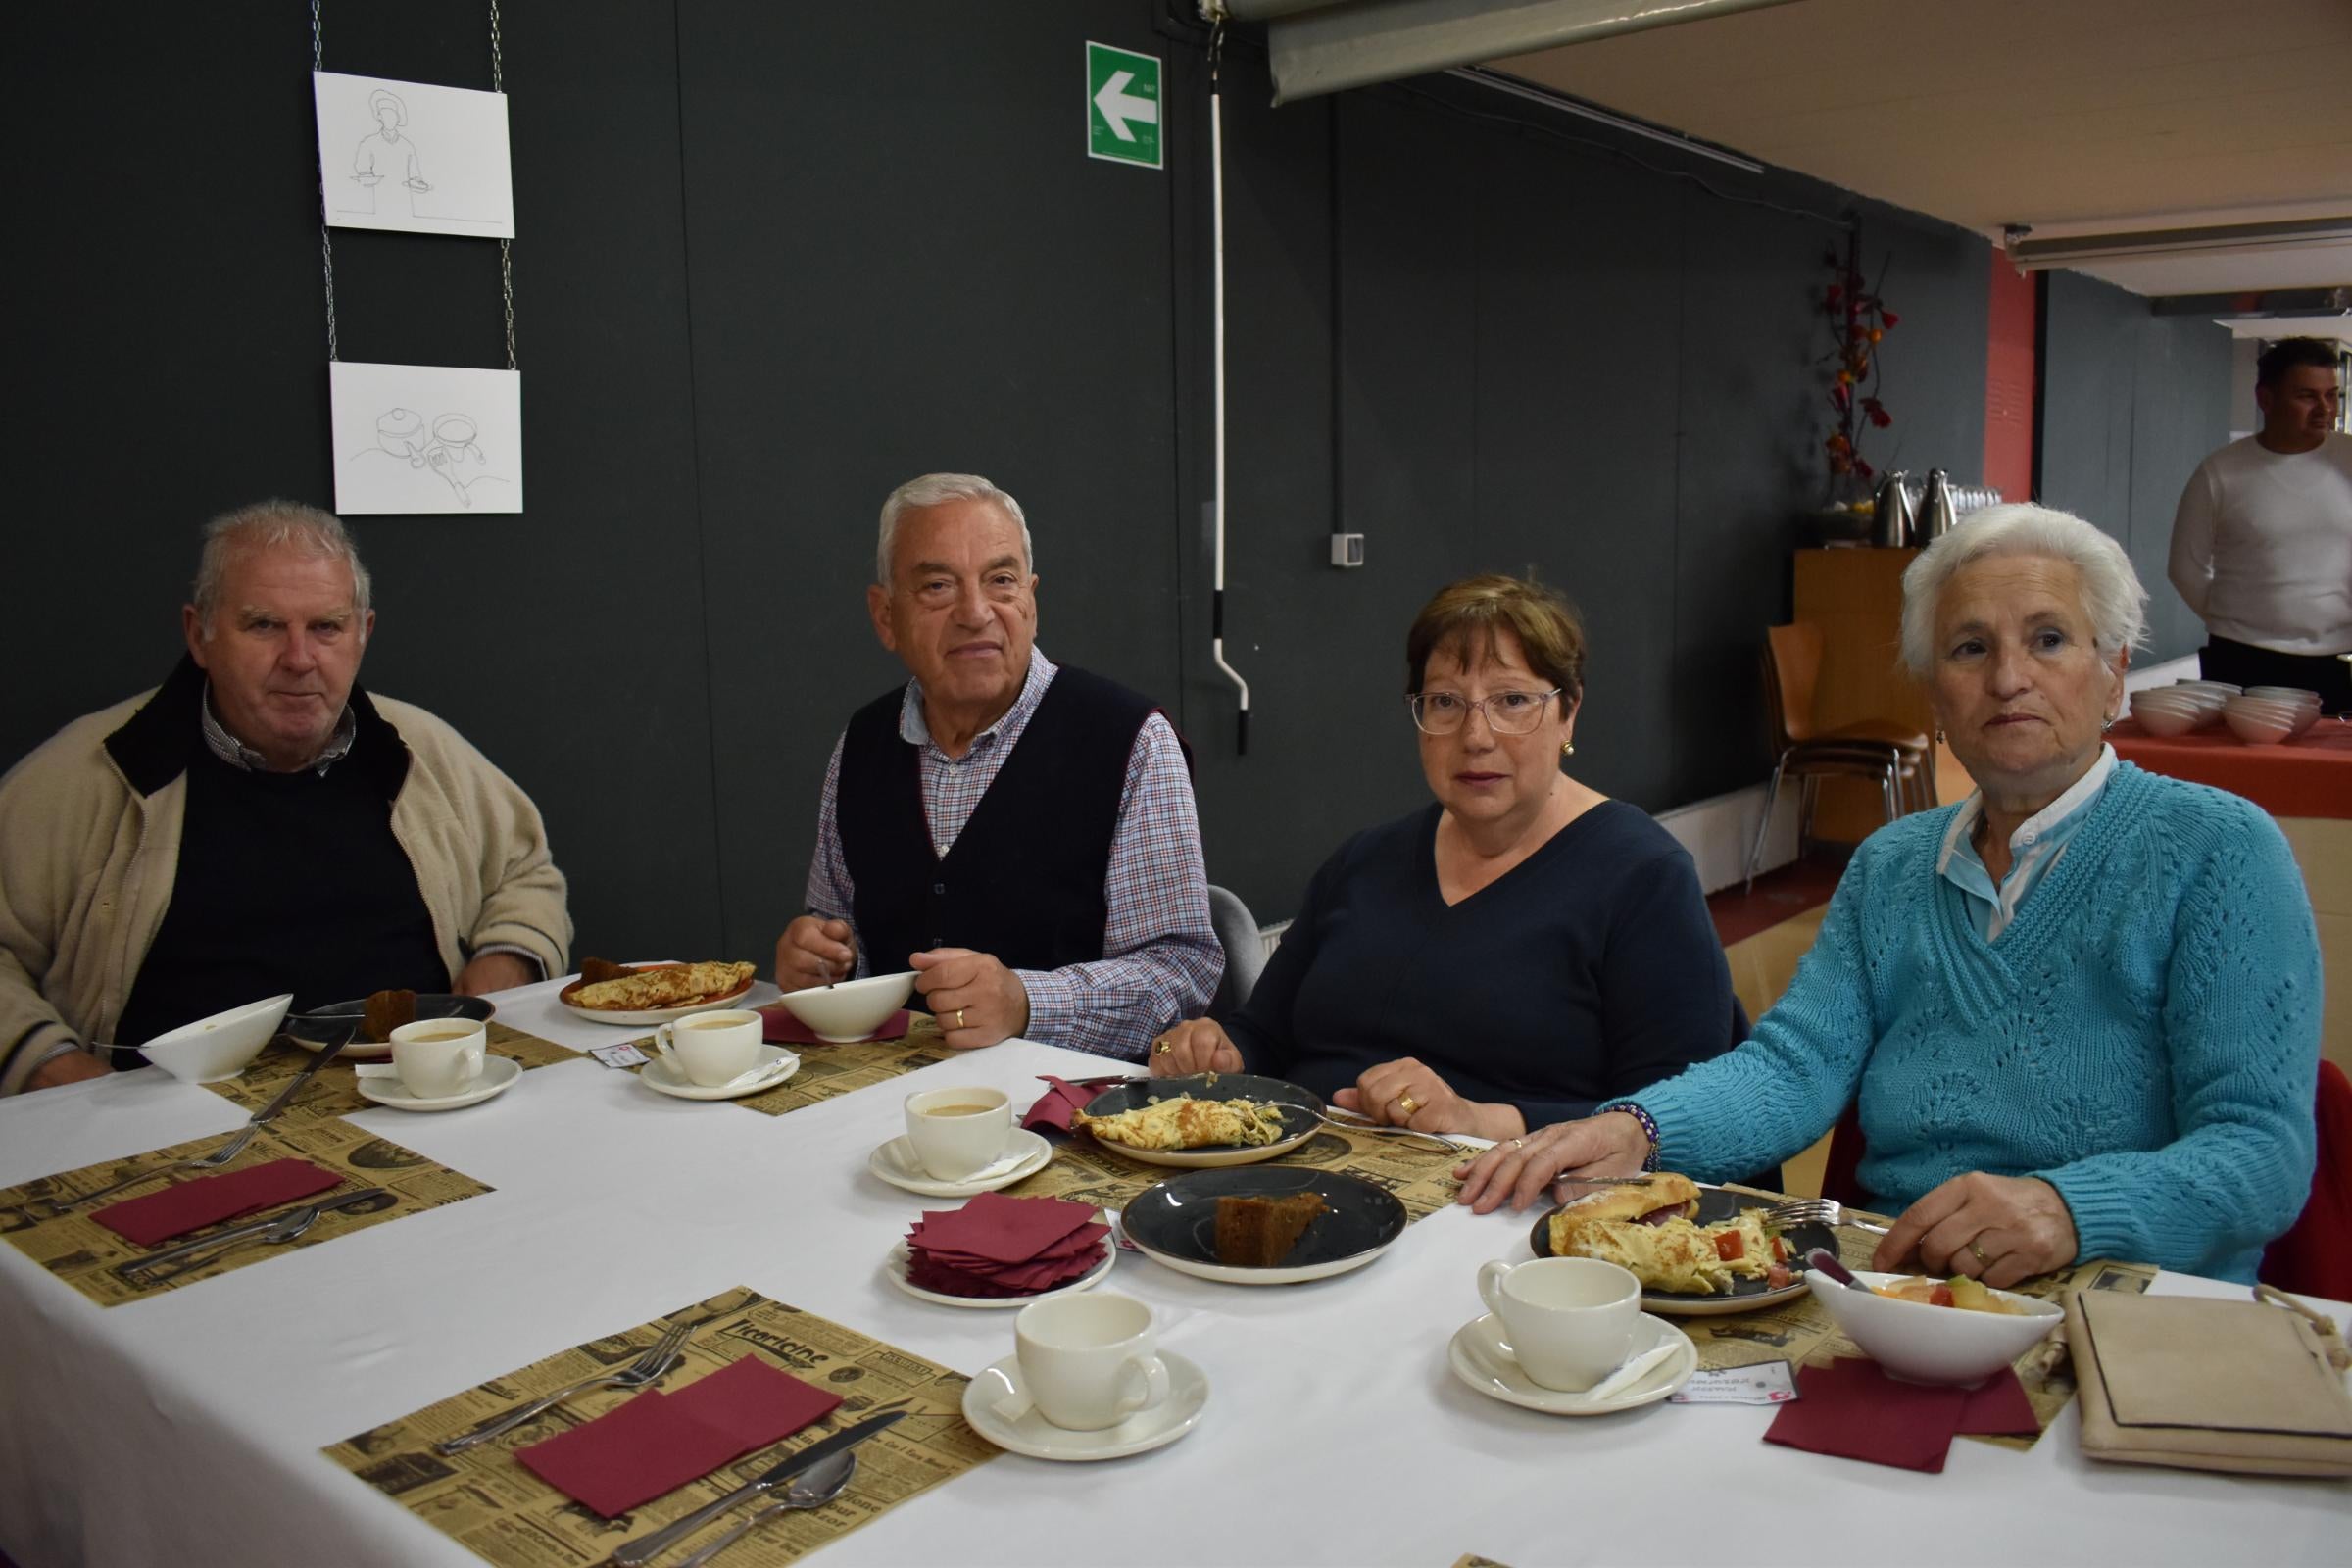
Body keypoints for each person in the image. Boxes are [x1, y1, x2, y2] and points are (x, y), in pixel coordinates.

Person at [1460, 507, 2322, 1287]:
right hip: (1896, 1292)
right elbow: (1794, 1067)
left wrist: (2067, 1209)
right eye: (1970, 647)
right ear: (1933, 689)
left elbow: (2260, 1156)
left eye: (2051, 639)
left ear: (2114, 671)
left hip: (2133, 1313)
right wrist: (1638, 1130)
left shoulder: (2220, 851)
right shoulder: (1891, 865)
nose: (2010, 677)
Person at [1149, 575, 1747, 1143]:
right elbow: (1266, 1032)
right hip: (1315, 1176)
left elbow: (1674, 1121)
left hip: (1512, 1210)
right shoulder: (1363, 862)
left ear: (1568, 712)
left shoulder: (1642, 878)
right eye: (1445, 702)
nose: (1476, 735)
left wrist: (1479, 1119)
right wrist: (1218, 1047)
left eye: (1512, 700)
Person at [0, 500, 571, 1095]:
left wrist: (500, 974)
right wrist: (54, 1069)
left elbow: (524, 873)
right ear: (200, 634)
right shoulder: (94, 773)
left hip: (417, 1097)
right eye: (264, 626)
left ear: (363, 634)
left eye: (326, 627)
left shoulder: (417, 752)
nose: (299, 660)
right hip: (166, 1127)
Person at [775, 472, 1218, 1058]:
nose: (976, 612)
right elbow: (841, 933)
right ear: (885, 616)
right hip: (890, 1094)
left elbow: (1182, 974)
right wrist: (821, 959)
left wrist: (1028, 1003)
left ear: (1031, 600)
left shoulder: (1131, 742)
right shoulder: (861, 744)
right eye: (937, 585)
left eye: (1001, 581)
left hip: (1073, 1112)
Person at [2168, 336, 2351, 711]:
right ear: (2265, 399)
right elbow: (2185, 568)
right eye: (2307, 396)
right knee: (2239, 769)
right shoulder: (2220, 472)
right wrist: (2239, 621)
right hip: (2241, 659)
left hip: (2336, 658)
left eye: (2331, 395)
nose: (2324, 409)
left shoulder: (2347, 461)